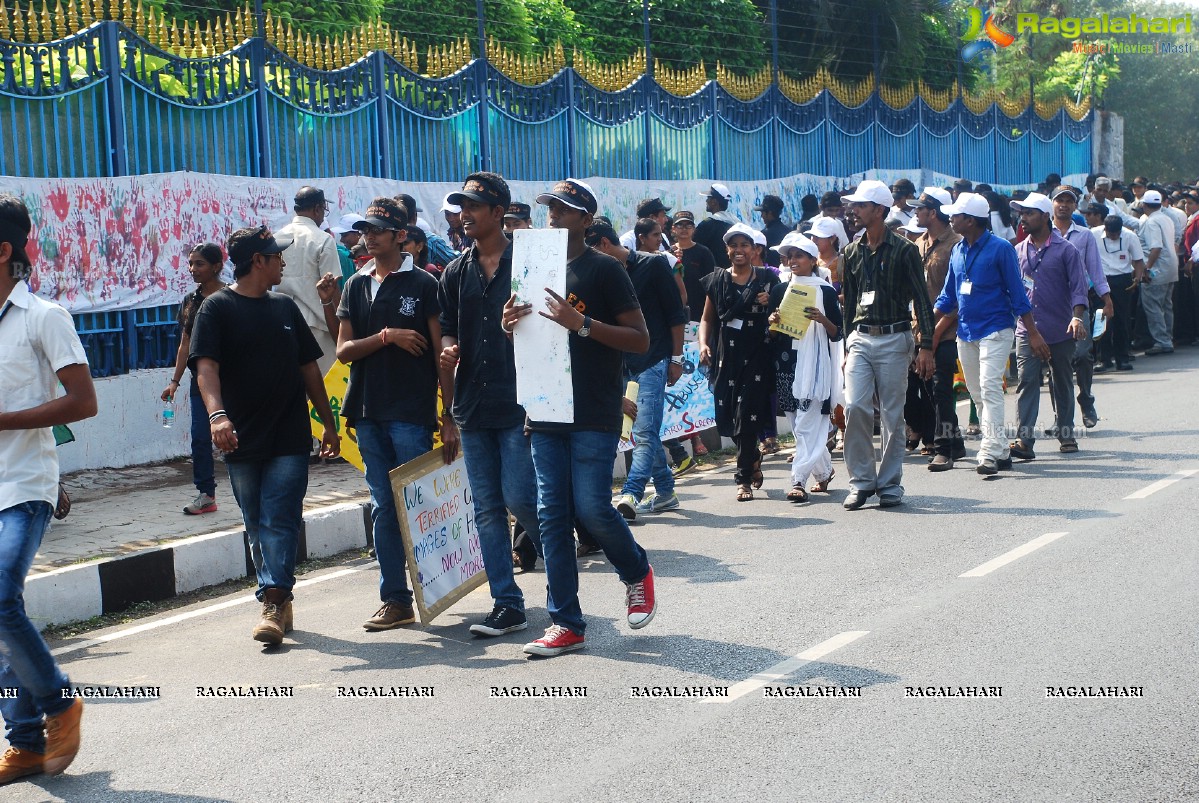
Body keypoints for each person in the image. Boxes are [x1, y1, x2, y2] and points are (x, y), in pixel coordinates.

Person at [505, 178, 656, 658]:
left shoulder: (605, 271)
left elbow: (640, 339)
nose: (555, 213)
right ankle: (566, 622)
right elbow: (531, 339)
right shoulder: (529, 264)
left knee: (591, 508)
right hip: (544, 407)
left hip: (593, 406)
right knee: (551, 515)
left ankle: (635, 571)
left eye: (567, 208)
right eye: (552, 206)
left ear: (587, 220)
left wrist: (583, 324)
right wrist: (511, 325)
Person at [190, 225, 341, 645]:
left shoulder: (285, 308)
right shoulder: (216, 309)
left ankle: (273, 598)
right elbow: (206, 368)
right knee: (255, 519)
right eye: (276, 256)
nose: (283, 263)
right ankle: (279, 593)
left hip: (290, 436)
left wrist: (327, 423)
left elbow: (309, 368)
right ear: (258, 261)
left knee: (279, 516)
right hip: (239, 438)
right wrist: (217, 416)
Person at [0, 194, 95, 785]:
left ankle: (59, 704)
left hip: (24, 484)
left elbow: (83, 402)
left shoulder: (43, 316)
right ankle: (26, 741)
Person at [335, 197, 451, 632]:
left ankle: (440, 585)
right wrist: (386, 336)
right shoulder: (356, 284)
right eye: (366, 228)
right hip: (366, 410)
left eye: (379, 229)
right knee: (384, 507)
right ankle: (396, 599)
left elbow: (443, 352)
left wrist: (449, 413)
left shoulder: (424, 284)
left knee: (419, 504)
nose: (369, 235)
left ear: (401, 235)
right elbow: (344, 351)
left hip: (410, 410)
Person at [439, 173, 544, 637]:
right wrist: (447, 350)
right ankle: (508, 602)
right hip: (473, 403)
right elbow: (447, 326)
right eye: (462, 206)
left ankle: (562, 564)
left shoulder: (530, 262)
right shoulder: (454, 270)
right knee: (485, 507)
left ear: (498, 212)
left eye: (474, 206)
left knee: (521, 496)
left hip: (521, 403)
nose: (465, 214)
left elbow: (551, 326)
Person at [839, 180, 935, 510]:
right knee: (854, 406)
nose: (853, 211)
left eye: (861, 206)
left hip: (896, 339)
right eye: (854, 205)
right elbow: (848, 304)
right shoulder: (849, 252)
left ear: (879, 210)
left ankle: (890, 483)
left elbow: (922, 301)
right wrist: (847, 346)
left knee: (893, 416)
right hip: (860, 339)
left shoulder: (905, 250)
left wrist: (926, 345)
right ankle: (862, 481)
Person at [935, 193, 1043, 474]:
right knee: (977, 393)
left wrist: (1032, 333)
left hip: (996, 328)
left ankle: (988, 452)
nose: (950, 219)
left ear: (970, 220)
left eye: (955, 215)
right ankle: (1000, 448)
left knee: (990, 388)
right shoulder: (957, 250)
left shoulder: (1001, 249)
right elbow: (947, 298)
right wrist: (924, 328)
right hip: (966, 331)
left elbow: (1018, 294)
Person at [589, 220, 687, 520]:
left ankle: (631, 492)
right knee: (643, 433)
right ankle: (666, 491)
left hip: (653, 360)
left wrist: (676, 358)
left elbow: (675, 313)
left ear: (605, 244)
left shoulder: (653, 265)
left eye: (591, 248)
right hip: (619, 365)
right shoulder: (599, 274)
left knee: (644, 432)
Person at [698, 222, 780, 501]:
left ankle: (742, 478)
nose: (739, 250)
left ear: (755, 249)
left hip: (757, 355)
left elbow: (784, 314)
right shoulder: (717, 280)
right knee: (728, 417)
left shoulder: (768, 279)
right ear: (727, 249)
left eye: (745, 245)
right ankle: (753, 456)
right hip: (725, 356)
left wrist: (772, 304)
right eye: (734, 245)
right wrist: (702, 345)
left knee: (747, 416)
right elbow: (707, 319)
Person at [1007, 193, 1089, 459]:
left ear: (1044, 216)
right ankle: (1024, 441)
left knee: (1062, 382)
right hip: (1027, 331)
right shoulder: (1017, 251)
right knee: (1027, 382)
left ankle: (1066, 436)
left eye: (1029, 213)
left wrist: (1077, 317)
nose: (1023, 219)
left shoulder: (1067, 250)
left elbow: (1079, 289)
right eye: (1022, 214)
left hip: (1060, 330)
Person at [766, 233, 842, 501]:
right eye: (790, 256)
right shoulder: (779, 290)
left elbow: (837, 333)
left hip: (816, 365)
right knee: (799, 425)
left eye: (799, 255)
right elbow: (773, 336)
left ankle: (798, 480)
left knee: (810, 424)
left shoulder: (825, 291)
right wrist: (773, 322)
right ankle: (824, 473)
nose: (793, 260)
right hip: (787, 364)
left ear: (812, 260)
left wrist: (821, 319)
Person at [162, 243, 227, 515]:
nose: (193, 269)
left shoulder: (231, 297)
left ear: (216, 266)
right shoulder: (191, 302)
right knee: (201, 438)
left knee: (239, 437)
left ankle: (252, 488)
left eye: (199, 263)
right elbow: (185, 343)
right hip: (200, 382)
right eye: (191, 263)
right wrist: (174, 381)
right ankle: (206, 494)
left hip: (234, 380)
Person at [907, 188, 966, 470]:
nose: (915, 213)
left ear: (933, 212)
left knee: (941, 386)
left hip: (948, 328)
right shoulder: (917, 244)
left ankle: (944, 448)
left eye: (920, 208)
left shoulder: (957, 244)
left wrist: (937, 332)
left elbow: (960, 296)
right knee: (926, 387)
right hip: (919, 328)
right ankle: (955, 441)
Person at [1050, 186, 1111, 430]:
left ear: (1075, 206)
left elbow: (1095, 269)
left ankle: (1086, 398)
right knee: (1056, 361)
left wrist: (1107, 299)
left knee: (1083, 355)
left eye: (1068, 201)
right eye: (1059, 200)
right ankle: (1060, 417)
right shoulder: (1043, 232)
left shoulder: (1084, 235)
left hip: (1079, 304)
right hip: (1050, 305)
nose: (1064, 205)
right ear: (1052, 204)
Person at [274, 186, 343, 374]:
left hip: (283, 323)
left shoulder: (277, 238)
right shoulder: (323, 239)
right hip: (319, 326)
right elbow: (332, 286)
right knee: (321, 390)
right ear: (318, 209)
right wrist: (342, 327)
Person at [1091, 213, 1144, 372]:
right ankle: (1103, 359)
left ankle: (1122, 358)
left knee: (1122, 320)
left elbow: (1139, 260)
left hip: (1123, 280)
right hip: (1101, 280)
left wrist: (1137, 279)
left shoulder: (1130, 236)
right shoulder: (1093, 234)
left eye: (1116, 233)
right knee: (1101, 320)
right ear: (1105, 228)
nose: (1114, 236)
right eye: (1111, 233)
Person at [1137, 189, 1179, 355]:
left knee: (1153, 306)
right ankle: (1167, 337)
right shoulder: (1166, 218)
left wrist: (1146, 267)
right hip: (1170, 268)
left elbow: (1156, 247)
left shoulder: (1151, 222)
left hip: (1157, 269)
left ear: (1143, 205)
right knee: (1166, 306)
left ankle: (1162, 341)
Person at [693, 183, 738, 269]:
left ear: (714, 202)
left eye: (708, 198)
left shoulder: (706, 225)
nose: (706, 201)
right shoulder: (735, 223)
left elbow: (695, 247)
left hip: (713, 273)